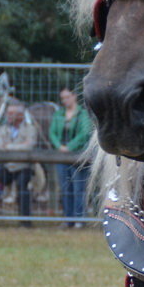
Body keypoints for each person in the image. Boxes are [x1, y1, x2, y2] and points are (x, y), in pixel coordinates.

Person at [48, 87, 93, 227]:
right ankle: (68, 219)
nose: (64, 100)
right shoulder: (59, 114)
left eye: (67, 97)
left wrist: (69, 147)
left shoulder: (83, 114)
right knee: (65, 188)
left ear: (74, 96)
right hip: (61, 157)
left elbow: (85, 133)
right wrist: (59, 146)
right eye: (62, 98)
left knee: (78, 188)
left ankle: (80, 219)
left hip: (78, 157)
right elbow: (52, 132)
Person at [0, 100, 42, 221]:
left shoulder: (30, 128)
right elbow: (0, 146)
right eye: (8, 113)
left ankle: (25, 221)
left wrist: (9, 146)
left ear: (20, 115)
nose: (8, 116)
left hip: (24, 166)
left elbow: (29, 145)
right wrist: (20, 145)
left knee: (23, 187)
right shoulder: (3, 128)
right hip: (7, 166)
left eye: (12, 113)